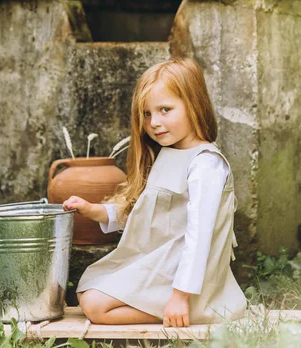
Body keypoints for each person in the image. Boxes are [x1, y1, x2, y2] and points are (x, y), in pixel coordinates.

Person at [63, 58, 246, 327]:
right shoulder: (168, 153)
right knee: (87, 288)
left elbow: (199, 237)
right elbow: (147, 209)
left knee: (95, 307)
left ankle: (192, 308)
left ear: (194, 105)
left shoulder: (205, 163)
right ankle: (176, 305)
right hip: (161, 261)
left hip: (183, 272)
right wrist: (95, 211)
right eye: (147, 114)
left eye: (165, 110)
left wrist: (181, 294)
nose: (154, 123)